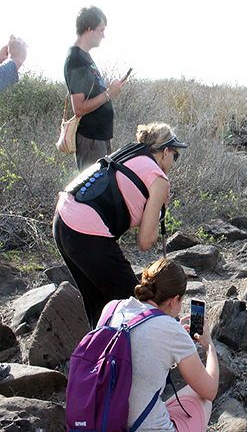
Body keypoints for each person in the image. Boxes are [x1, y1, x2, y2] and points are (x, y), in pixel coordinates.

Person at [53, 122, 187, 328]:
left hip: (63, 219)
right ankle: (170, 344)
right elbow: (145, 241)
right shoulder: (159, 179)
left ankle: (98, 355)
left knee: (99, 305)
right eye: (175, 156)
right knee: (138, 302)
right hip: (86, 231)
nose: (173, 162)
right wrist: (160, 209)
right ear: (165, 151)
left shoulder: (130, 154)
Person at [104, 258, 219, 432]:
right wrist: (209, 346)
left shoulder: (112, 308)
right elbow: (209, 391)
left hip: (103, 419)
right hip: (143, 427)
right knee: (202, 400)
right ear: (174, 300)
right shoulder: (171, 330)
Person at [64, 6, 127, 172]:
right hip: (90, 140)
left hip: (99, 138)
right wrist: (108, 94)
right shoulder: (76, 59)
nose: (103, 35)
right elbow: (78, 108)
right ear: (89, 29)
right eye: (101, 30)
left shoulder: (85, 57)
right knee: (94, 193)